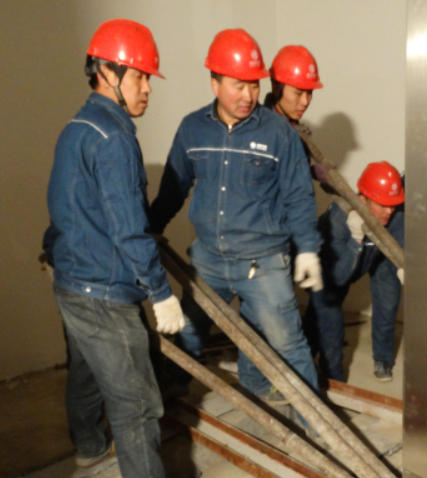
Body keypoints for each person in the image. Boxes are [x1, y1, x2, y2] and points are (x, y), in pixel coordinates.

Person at [149, 29, 323, 409]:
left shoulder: (280, 134)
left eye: (254, 85)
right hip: (208, 260)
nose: (248, 96)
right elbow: (172, 190)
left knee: (289, 344)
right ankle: (166, 402)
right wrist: (149, 232)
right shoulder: (192, 128)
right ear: (214, 83)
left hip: (264, 263)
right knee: (187, 334)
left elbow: (298, 197)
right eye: (238, 85)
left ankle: (315, 426)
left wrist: (308, 248)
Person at [42, 19, 184, 478]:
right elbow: (128, 230)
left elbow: (65, 204)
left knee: (86, 371)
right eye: (139, 76)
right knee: (137, 406)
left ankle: (89, 445)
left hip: (71, 281)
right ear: (107, 72)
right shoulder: (115, 138)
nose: (148, 88)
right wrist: (160, 293)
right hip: (104, 292)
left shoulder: (76, 127)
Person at [304, 161, 404, 382]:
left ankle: (383, 360)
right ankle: (331, 378)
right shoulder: (338, 220)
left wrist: (405, 266)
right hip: (331, 269)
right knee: (329, 326)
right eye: (383, 205)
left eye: (393, 205)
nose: (389, 211)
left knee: (389, 301)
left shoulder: (394, 213)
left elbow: (401, 243)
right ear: (363, 199)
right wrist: (356, 239)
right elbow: (340, 276)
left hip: (377, 256)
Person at [264, 45, 334, 190]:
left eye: (309, 93)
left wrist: (312, 172)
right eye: (298, 93)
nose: (305, 102)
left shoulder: (297, 129)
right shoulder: (259, 131)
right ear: (276, 87)